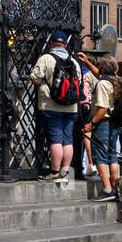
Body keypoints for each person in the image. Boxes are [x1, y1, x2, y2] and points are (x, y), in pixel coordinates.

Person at [29, 32, 82, 182]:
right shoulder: (74, 62)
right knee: (68, 140)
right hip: (71, 107)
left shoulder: (46, 58)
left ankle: (55, 172)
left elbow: (35, 78)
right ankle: (66, 174)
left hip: (50, 105)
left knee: (56, 139)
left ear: (51, 43)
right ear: (65, 45)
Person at [83, 54, 122, 200]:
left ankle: (107, 189)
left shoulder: (102, 84)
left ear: (103, 67)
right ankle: (116, 189)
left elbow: (102, 108)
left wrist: (91, 124)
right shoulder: (117, 80)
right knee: (112, 157)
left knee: (100, 156)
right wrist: (87, 63)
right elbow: (99, 74)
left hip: (103, 123)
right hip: (116, 123)